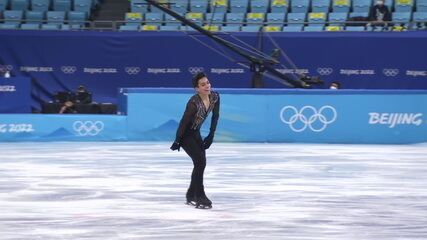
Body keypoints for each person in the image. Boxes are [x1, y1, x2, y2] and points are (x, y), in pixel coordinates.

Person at [170, 72, 220, 209]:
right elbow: (184, 122)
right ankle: (199, 195)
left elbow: (216, 116)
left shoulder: (215, 97)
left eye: (208, 83)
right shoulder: (193, 103)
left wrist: (211, 135)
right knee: (200, 161)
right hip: (186, 135)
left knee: (200, 163)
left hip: (196, 133)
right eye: (203, 84)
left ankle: (191, 194)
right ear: (197, 89)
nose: (207, 86)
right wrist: (177, 140)